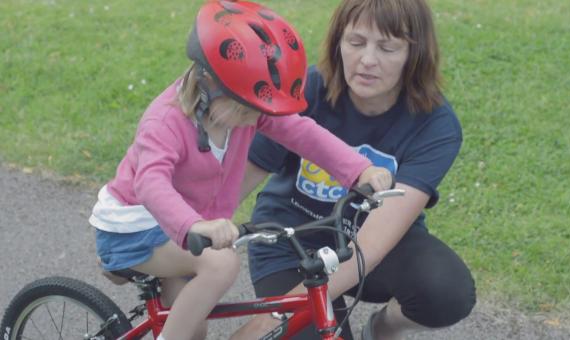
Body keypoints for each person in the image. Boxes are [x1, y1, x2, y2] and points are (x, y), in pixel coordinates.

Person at [88, 1, 392, 340]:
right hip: (135, 225)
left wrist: (359, 170)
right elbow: (150, 184)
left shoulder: (242, 106)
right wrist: (195, 224)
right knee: (221, 264)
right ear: (209, 85)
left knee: (192, 329)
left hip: (184, 228)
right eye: (248, 110)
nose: (256, 119)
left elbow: (302, 133)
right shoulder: (165, 123)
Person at [232, 0, 476, 339]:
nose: (367, 61)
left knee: (446, 290)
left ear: (413, 55)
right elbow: (238, 181)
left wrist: (271, 318)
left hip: (368, 242)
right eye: (356, 42)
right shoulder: (307, 89)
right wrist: (178, 237)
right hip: (292, 242)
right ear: (338, 43)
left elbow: (373, 244)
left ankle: (382, 329)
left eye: (388, 47)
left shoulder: (436, 126)